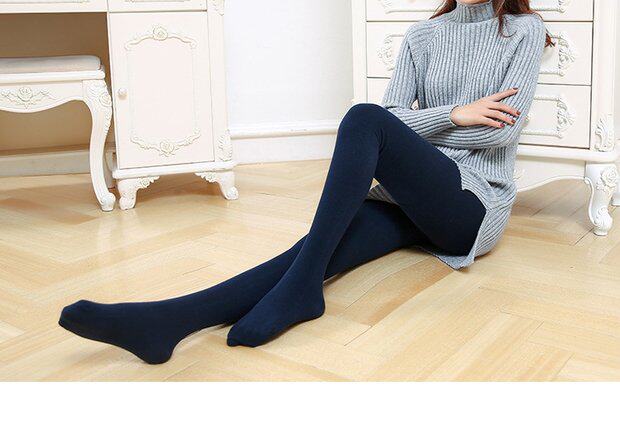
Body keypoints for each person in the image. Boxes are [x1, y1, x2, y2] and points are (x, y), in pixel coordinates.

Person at [59, 0, 549, 364]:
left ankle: (300, 292)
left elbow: (497, 133)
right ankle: (167, 322)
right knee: (313, 249)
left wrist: (428, 127)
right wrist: (455, 115)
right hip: (409, 199)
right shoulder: (423, 35)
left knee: (363, 119)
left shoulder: (523, 30)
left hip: (471, 203)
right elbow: (397, 117)